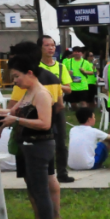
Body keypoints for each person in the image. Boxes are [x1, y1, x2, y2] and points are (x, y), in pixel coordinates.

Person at [0, 50, 55, 219]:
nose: (15, 81)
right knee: (33, 187)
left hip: (40, 146)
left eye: (16, 76)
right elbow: (12, 113)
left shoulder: (41, 94)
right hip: (26, 145)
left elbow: (44, 123)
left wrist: (16, 121)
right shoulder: (28, 93)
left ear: (30, 73)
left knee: (40, 189)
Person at [37, 35, 74, 183]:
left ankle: (62, 173)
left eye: (52, 45)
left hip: (57, 107)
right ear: (40, 48)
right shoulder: (36, 67)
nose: (51, 48)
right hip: (40, 108)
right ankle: (46, 173)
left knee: (61, 142)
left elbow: (68, 89)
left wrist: (55, 85)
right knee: (44, 142)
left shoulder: (60, 67)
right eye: (47, 45)